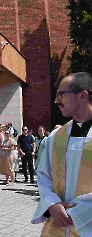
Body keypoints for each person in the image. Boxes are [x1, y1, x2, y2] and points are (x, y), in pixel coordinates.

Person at [32, 72, 92, 236]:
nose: (56, 100)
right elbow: (44, 174)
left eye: (61, 94)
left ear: (83, 95)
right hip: (57, 226)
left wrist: (79, 212)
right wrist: (52, 203)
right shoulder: (55, 137)